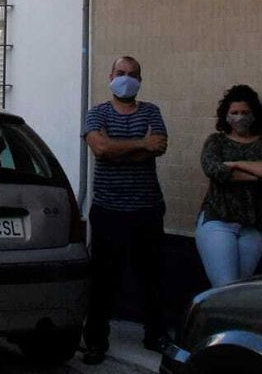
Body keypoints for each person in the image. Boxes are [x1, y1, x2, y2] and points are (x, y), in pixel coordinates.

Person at [81, 56, 169, 365]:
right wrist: (140, 145)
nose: (126, 78)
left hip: (147, 209)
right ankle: (95, 341)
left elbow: (158, 145)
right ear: (110, 76)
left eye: (132, 74)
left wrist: (119, 148)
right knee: (103, 280)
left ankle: (156, 334)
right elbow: (100, 149)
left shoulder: (151, 111)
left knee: (153, 278)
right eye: (121, 73)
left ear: (140, 80)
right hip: (108, 210)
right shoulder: (97, 113)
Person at [195, 85, 262, 288]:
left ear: (254, 115)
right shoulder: (216, 142)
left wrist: (234, 164)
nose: (240, 117)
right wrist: (256, 172)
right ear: (226, 115)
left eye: (245, 112)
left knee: (240, 289)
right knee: (225, 286)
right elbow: (214, 169)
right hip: (218, 220)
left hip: (254, 225)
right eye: (234, 113)